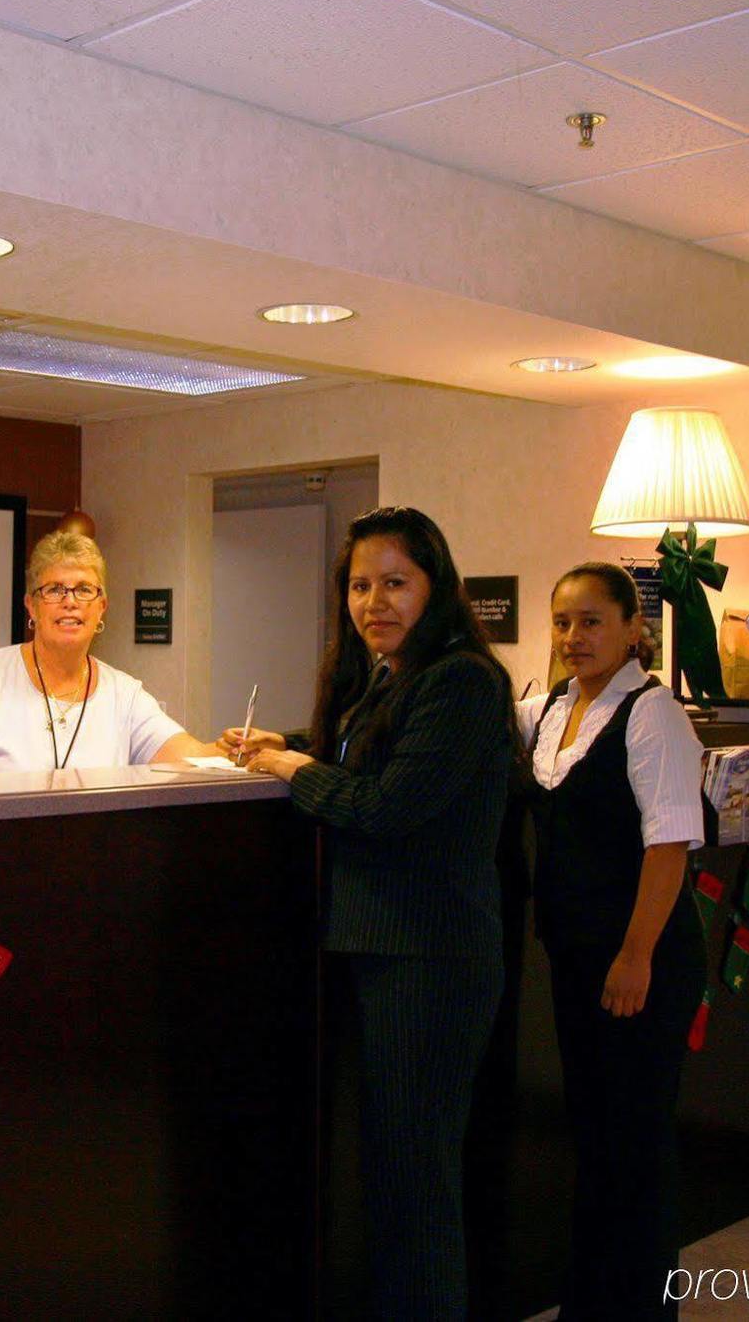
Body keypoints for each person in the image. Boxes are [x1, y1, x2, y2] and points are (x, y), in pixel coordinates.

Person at [232, 506, 514, 1320]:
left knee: (415, 1183)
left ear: (439, 587)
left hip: (431, 960)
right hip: (385, 952)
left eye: (395, 582)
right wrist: (275, 747)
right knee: (393, 1176)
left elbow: (389, 805)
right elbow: (364, 758)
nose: (373, 602)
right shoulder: (389, 676)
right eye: (360, 585)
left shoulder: (461, 678)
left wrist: (291, 767)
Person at [518, 561, 706, 1319]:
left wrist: (636, 957)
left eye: (593, 621)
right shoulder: (550, 707)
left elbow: (669, 846)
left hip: (642, 959)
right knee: (595, 1138)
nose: (574, 637)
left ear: (635, 628)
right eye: (562, 622)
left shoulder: (653, 714)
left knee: (636, 1144)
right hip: (578, 959)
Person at [0, 530, 221, 772]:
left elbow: (192, 759)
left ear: (102, 607)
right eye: (55, 589)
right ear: (31, 605)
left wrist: (242, 750)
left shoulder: (125, 695)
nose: (70, 601)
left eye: (84, 589)